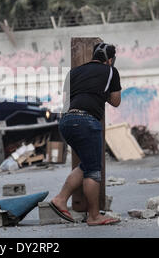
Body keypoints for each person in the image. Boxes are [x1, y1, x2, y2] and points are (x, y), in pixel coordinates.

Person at [50, 42, 122, 226]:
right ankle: (94, 216)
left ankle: (60, 199)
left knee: (87, 165)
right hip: (86, 121)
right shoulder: (111, 72)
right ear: (110, 60)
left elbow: (66, 102)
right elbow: (115, 101)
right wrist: (101, 93)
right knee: (93, 171)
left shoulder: (73, 73)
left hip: (66, 122)